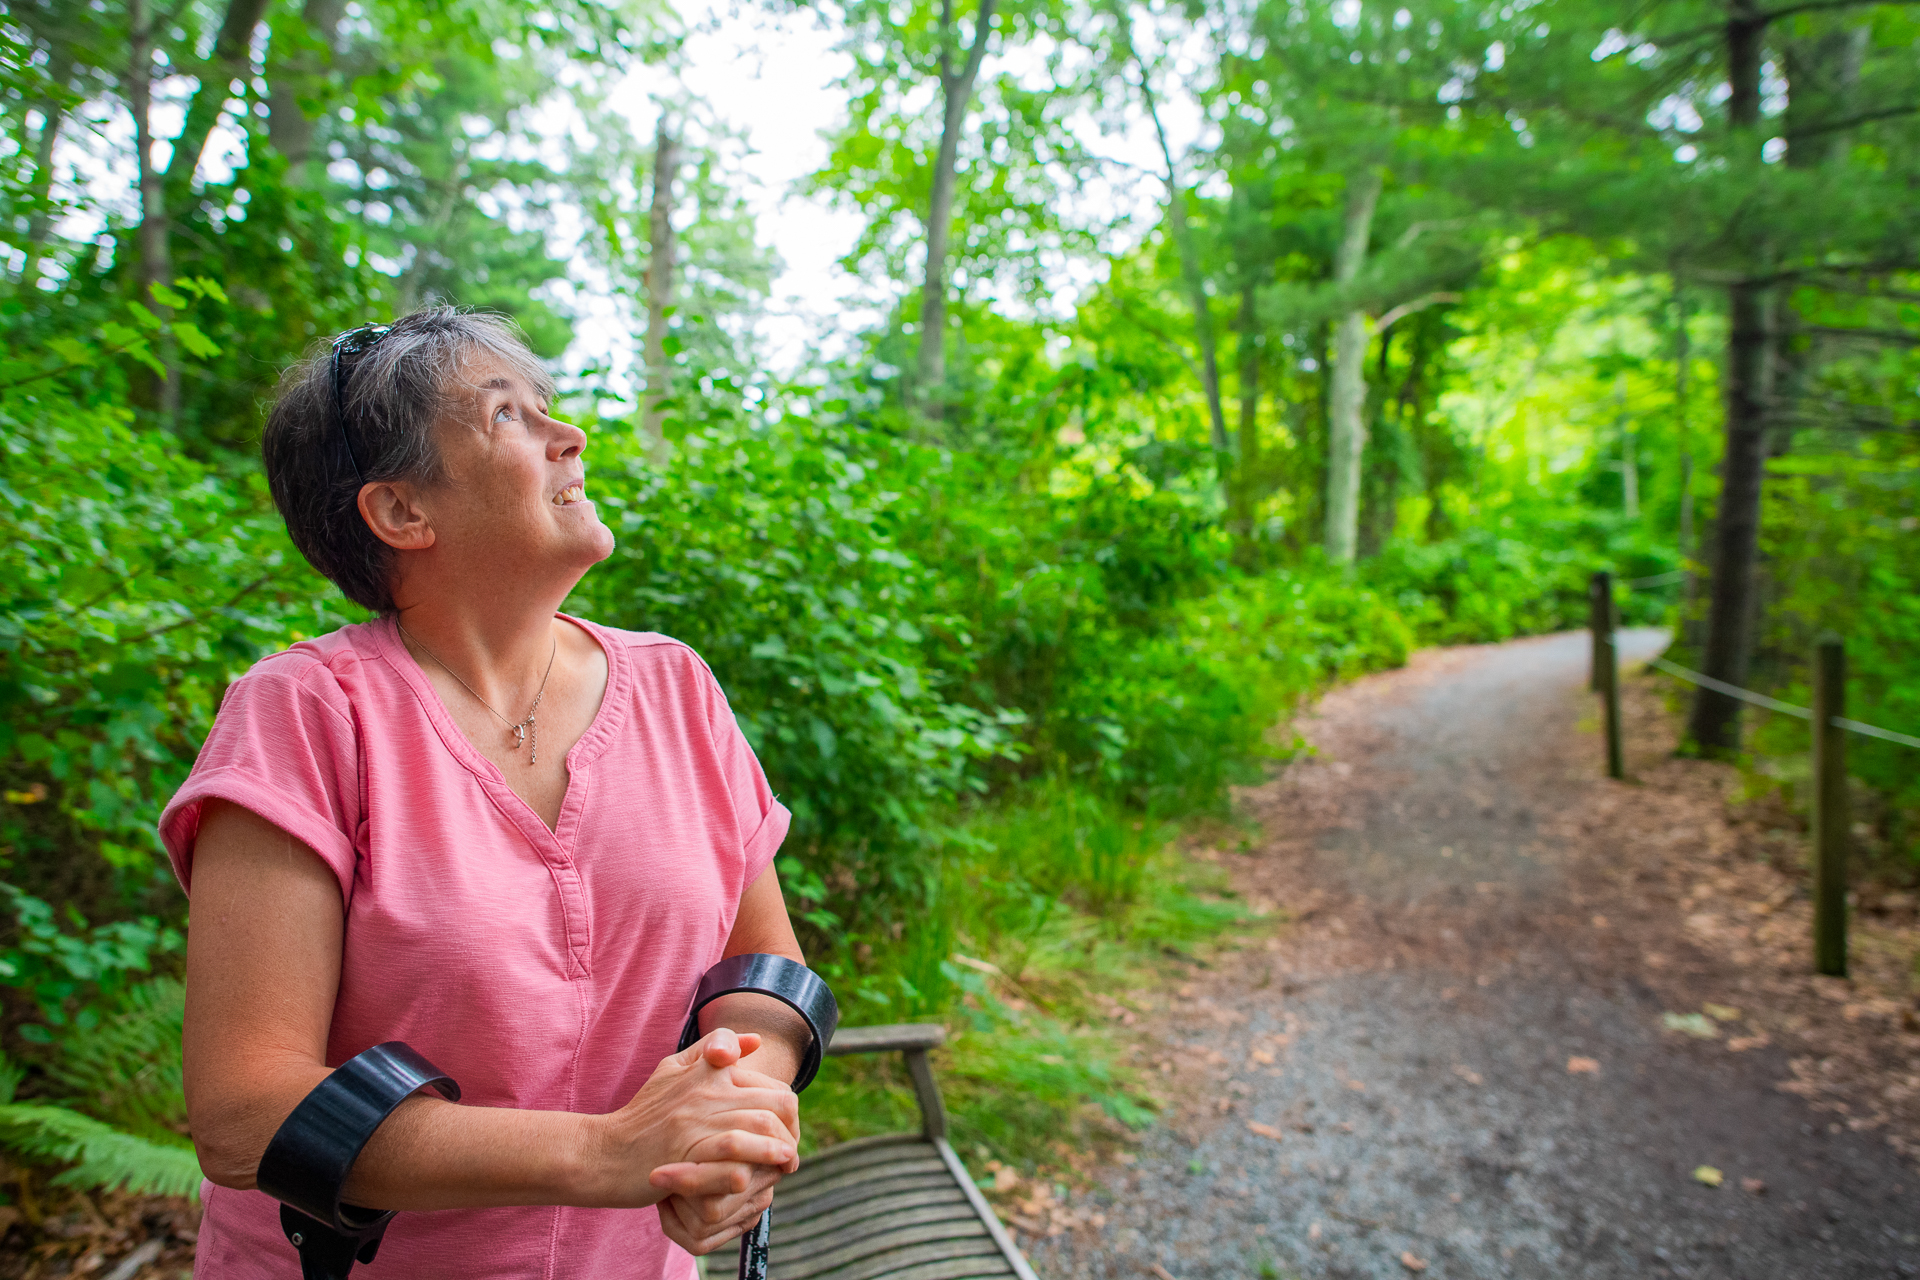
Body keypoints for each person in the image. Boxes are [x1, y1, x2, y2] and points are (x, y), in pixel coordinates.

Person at [161, 307, 812, 1279]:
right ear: (401, 512)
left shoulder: (677, 686)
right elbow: (246, 1110)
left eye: (547, 405)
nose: (569, 434)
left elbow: (764, 970)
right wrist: (603, 1152)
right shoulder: (306, 712)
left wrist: (734, 1113)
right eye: (508, 415)